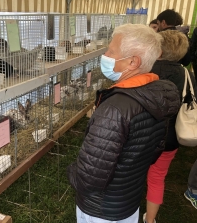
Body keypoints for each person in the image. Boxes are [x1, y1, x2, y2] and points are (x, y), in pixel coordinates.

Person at [66, 24, 180, 223]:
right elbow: (155, 150)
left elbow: (90, 176)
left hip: (101, 209)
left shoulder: (116, 109)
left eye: (111, 50)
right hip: (128, 200)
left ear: (132, 62)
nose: (106, 54)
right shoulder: (156, 97)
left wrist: (72, 172)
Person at [143, 30, 197, 223]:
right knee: (157, 177)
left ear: (157, 48)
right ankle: (150, 220)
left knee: (132, 173)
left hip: (142, 134)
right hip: (169, 137)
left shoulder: (146, 68)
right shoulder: (187, 75)